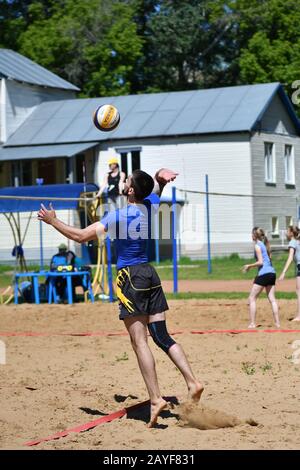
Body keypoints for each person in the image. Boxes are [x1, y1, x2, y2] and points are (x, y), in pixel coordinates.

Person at [38, 168, 203, 427]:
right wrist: (160, 176)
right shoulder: (150, 206)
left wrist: (52, 221)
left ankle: (156, 398)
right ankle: (193, 382)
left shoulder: (118, 216)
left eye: (127, 181)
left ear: (130, 191)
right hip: (149, 274)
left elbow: (80, 236)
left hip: (130, 279)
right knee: (162, 336)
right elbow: (155, 188)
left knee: (140, 342)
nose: (124, 182)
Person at [242, 227, 280, 329]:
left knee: (251, 298)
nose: (251, 236)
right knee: (272, 299)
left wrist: (249, 266)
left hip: (264, 274)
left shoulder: (258, 246)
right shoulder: (265, 245)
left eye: (251, 234)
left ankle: (253, 323)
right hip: (272, 273)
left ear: (255, 235)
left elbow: (261, 262)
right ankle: (277, 323)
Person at [279, 226, 300, 322]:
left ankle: (299, 316)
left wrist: (283, 272)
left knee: (299, 292)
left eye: (287, 231)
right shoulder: (298, 241)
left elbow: (290, 258)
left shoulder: (292, 242)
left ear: (291, 233)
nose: (286, 233)